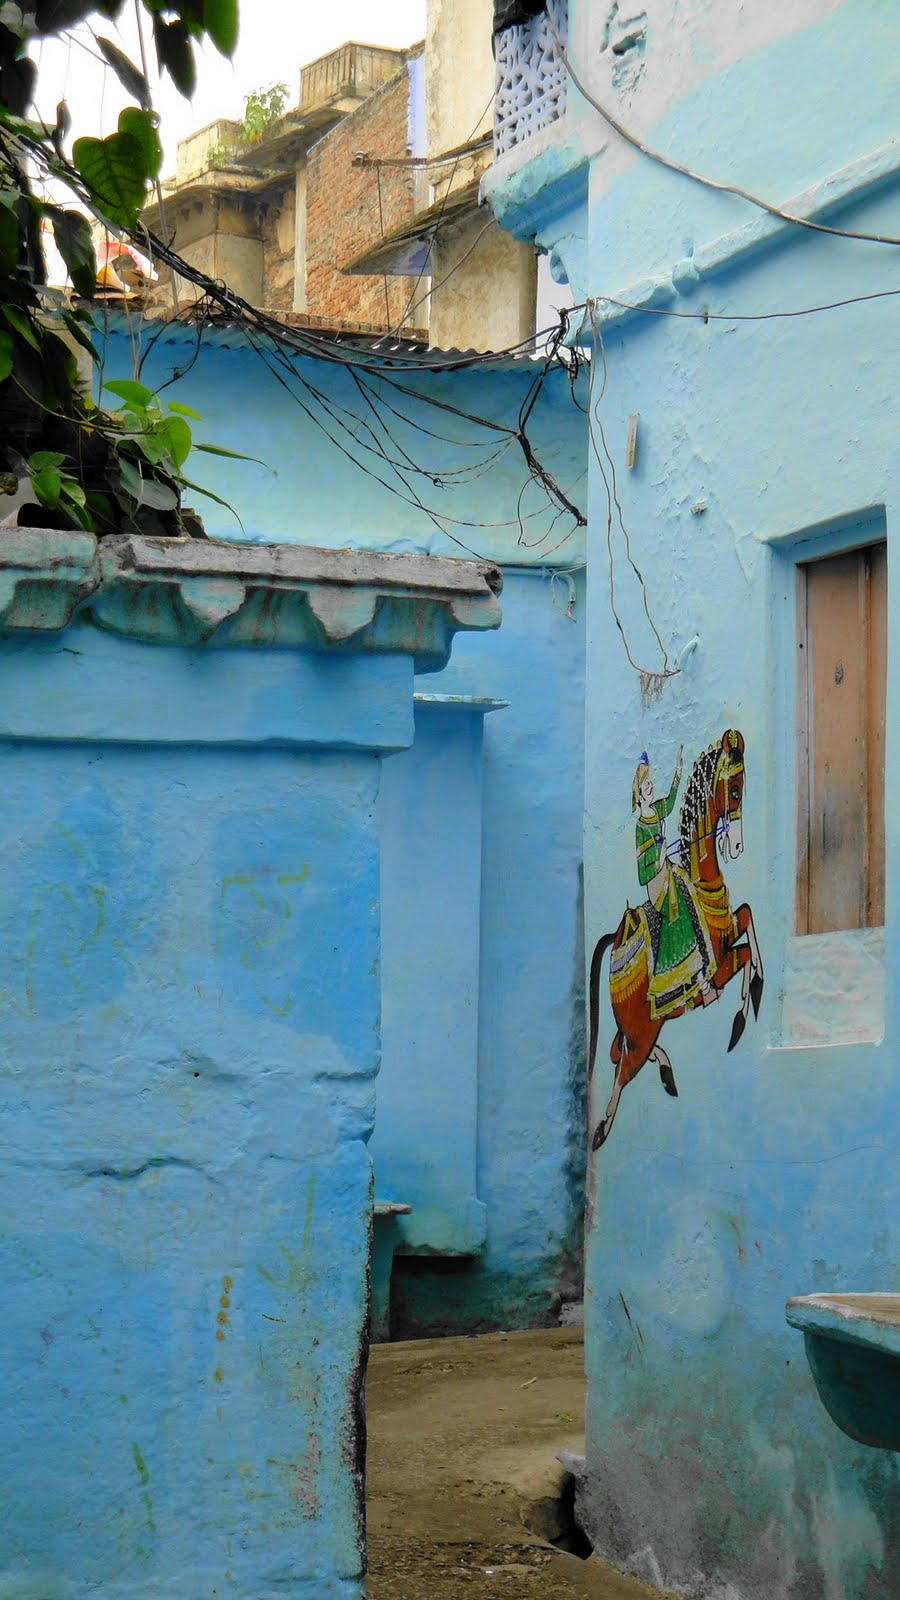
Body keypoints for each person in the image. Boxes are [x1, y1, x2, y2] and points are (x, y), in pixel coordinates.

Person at [632, 748, 716, 1019]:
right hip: (656, 883)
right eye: (646, 786)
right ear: (638, 795)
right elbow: (642, 875)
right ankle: (687, 979)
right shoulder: (640, 828)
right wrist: (658, 855)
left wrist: (679, 771)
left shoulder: (656, 811)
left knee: (688, 888)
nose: (650, 788)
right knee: (677, 906)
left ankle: (698, 973)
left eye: (650, 784)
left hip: (668, 872)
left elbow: (669, 802)